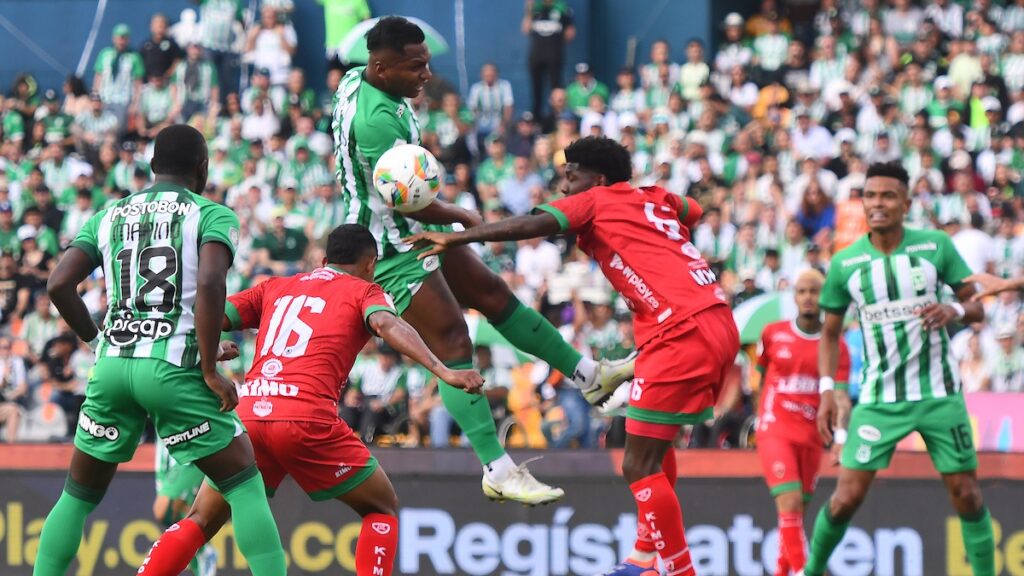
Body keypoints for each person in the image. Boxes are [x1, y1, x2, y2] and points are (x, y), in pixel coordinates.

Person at [331, 16, 632, 506]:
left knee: (494, 294)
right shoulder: (377, 119)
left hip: (409, 232)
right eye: (416, 66)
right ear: (382, 68)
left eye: (426, 63)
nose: (427, 74)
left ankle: (589, 379)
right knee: (452, 341)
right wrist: (462, 215)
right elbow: (408, 200)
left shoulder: (357, 81)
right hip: (389, 247)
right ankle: (497, 468)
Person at [405, 136, 740, 576]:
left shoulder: (596, 200)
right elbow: (691, 210)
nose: (564, 188)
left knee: (637, 463)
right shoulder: (653, 195)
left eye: (570, 176)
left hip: (678, 329)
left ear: (597, 179)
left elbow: (529, 225)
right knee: (652, 446)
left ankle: (678, 570)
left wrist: (459, 238)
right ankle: (644, 557)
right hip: (714, 317)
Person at [138, 224, 484, 576]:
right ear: (370, 263)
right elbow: (386, 324)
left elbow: (210, 314)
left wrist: (210, 351)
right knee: (381, 507)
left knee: (201, 518)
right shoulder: (366, 290)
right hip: (305, 416)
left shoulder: (276, 286)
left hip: (249, 415)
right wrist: (444, 371)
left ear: (323, 260)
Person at [32, 124, 287, 576]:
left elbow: (58, 284)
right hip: (172, 372)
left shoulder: (109, 215)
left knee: (77, 496)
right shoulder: (212, 214)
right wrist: (209, 367)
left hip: (111, 368)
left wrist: (96, 342)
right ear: (202, 168)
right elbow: (209, 283)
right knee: (244, 483)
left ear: (152, 168)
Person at [804, 162, 994, 576]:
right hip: (878, 400)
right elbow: (830, 334)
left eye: (888, 196)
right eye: (870, 196)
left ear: (906, 203)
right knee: (846, 498)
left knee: (966, 493)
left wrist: (954, 308)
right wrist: (825, 392)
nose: (877, 204)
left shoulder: (936, 246)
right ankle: (811, 571)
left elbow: (977, 305)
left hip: (939, 395)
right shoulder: (845, 263)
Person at [755, 269, 850, 576]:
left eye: (815, 291)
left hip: (812, 435)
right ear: (794, 296)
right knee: (791, 502)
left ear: (825, 297)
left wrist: (841, 436)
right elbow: (759, 377)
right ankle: (805, 571)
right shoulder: (772, 333)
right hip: (776, 428)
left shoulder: (837, 346)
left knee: (794, 517)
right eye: (802, 291)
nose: (808, 297)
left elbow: (841, 398)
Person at [152, 438, 217, 576]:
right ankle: (201, 553)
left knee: (163, 509)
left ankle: (203, 552)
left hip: (190, 443)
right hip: (166, 446)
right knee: (178, 513)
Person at [522, 0, 575, 117]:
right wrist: (528, 9)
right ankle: (537, 119)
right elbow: (525, 29)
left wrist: (555, 41)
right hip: (536, 55)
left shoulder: (561, 8)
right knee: (537, 89)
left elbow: (570, 33)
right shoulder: (535, 8)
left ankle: (556, 117)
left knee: (556, 88)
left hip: (554, 55)